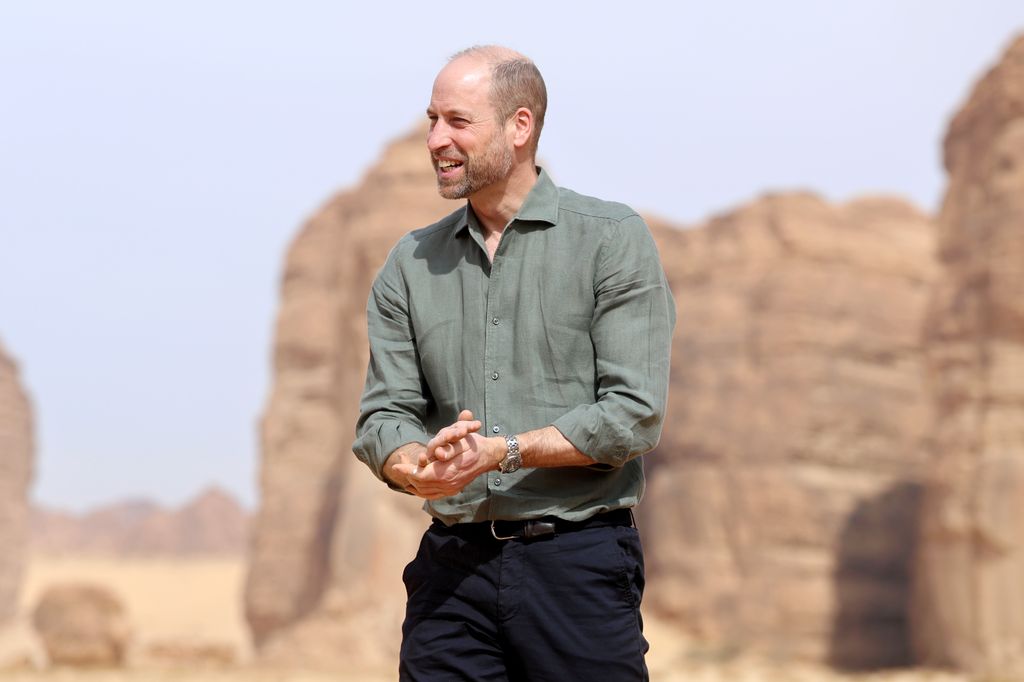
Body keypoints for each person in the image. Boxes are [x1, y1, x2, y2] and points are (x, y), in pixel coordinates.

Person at [353, 45, 675, 681]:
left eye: (457, 121)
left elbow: (634, 415)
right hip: (451, 574)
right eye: (431, 120)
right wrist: (414, 465)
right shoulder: (409, 265)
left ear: (519, 126)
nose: (436, 139)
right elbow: (383, 414)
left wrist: (502, 451)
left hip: (577, 565)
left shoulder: (610, 240)